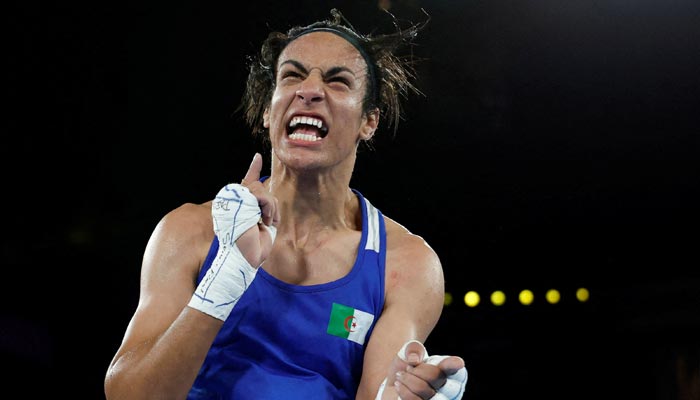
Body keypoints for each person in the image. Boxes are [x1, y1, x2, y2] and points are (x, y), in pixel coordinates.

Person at [104, 8, 467, 400]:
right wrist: (225, 276)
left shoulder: (405, 264)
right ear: (267, 110)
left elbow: (380, 392)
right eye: (292, 75)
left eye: (338, 81)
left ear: (369, 121)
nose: (308, 90)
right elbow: (128, 394)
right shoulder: (190, 230)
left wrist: (400, 396)